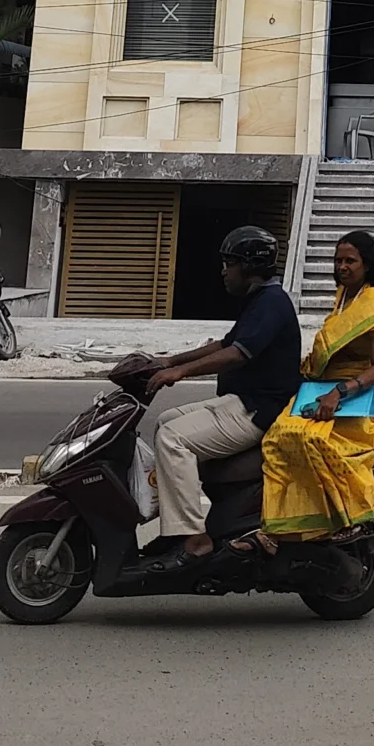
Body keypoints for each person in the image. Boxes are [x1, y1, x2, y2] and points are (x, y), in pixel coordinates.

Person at [137, 224, 301, 560]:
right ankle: (178, 525)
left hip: (257, 411)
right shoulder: (260, 300)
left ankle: (194, 539)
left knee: (173, 440)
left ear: (249, 266)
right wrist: (170, 360)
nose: (224, 271)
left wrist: (180, 373)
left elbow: (237, 354)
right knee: (165, 421)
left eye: (230, 263)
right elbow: (225, 344)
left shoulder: (272, 303)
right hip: (239, 403)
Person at [252, 229, 374, 548]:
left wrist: (339, 393)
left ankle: (349, 517)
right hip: (322, 385)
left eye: (350, 261)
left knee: (313, 439)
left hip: (359, 391)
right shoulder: (343, 297)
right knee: (276, 438)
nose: (342, 267)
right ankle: (282, 527)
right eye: (338, 260)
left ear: (366, 265)